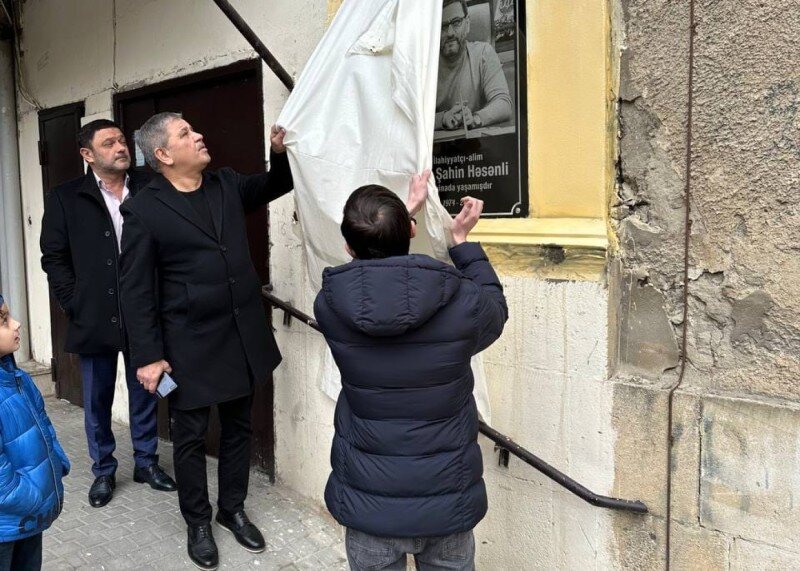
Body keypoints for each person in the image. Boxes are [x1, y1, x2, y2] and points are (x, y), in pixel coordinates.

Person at [119, 112, 293, 570]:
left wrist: (279, 154)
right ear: (163, 154)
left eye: (194, 129)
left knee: (238, 428)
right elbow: (136, 291)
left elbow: (277, 184)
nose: (198, 135)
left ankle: (232, 509)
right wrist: (150, 356)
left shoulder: (226, 185)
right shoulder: (145, 209)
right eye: (185, 134)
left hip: (239, 335)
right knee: (192, 438)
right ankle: (198, 522)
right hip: (187, 344)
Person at [314, 175, 508, 570]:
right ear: (413, 232)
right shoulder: (461, 299)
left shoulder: (330, 305)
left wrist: (398, 219)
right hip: (446, 499)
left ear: (349, 247)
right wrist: (463, 243)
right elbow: (495, 311)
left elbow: (374, 280)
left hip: (370, 503)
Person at [40, 119, 176, 509]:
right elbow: (54, 256)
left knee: (146, 390)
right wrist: (74, 302)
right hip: (93, 315)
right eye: (109, 143)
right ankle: (103, 470)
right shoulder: (66, 197)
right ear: (88, 154)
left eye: (122, 140)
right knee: (96, 399)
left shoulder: (150, 187)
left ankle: (146, 462)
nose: (121, 147)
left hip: (143, 313)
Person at [0, 293, 70, 571]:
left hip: (29, 519)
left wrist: (58, 461)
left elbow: (44, 427)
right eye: (4, 320)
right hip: (11, 520)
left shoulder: (19, 380)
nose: (17, 324)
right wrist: (32, 496)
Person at [436, 0, 513, 131]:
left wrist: (476, 118)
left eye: (456, 23)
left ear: (467, 24)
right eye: (442, 26)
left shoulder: (484, 53)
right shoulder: (424, 65)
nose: (450, 33)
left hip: (476, 144)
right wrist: (442, 119)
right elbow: (410, 117)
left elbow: (503, 103)